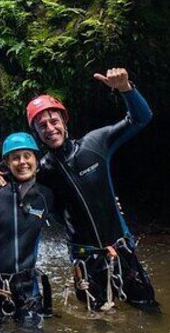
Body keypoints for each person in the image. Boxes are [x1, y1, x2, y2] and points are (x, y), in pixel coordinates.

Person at [27, 67, 159, 312]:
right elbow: (52, 212)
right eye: (41, 125)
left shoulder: (94, 144)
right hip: (85, 260)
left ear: (65, 121)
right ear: (36, 133)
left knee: (149, 311)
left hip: (122, 251)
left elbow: (141, 118)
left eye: (53, 120)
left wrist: (126, 90)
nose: (49, 128)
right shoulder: (42, 172)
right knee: (98, 326)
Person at [0, 132, 56, 327]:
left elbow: (73, 217)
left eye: (27, 156)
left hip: (27, 286)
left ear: (36, 159)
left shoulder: (47, 195)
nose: (22, 162)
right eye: (15, 157)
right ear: (7, 163)